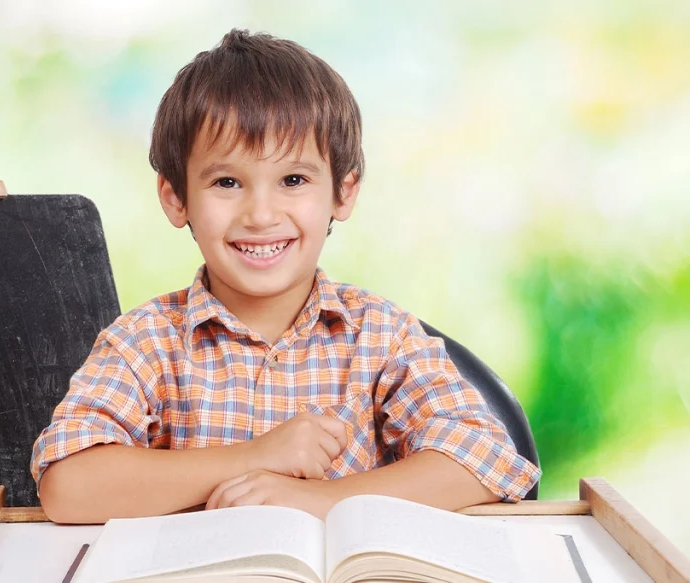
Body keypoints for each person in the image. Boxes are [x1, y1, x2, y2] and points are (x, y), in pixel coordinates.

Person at [30, 28, 539, 524]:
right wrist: (256, 456)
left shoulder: (383, 337)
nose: (261, 214)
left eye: (293, 180)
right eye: (227, 181)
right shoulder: (143, 344)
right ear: (176, 197)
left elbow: (486, 458)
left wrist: (320, 501)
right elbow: (68, 486)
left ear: (343, 192)